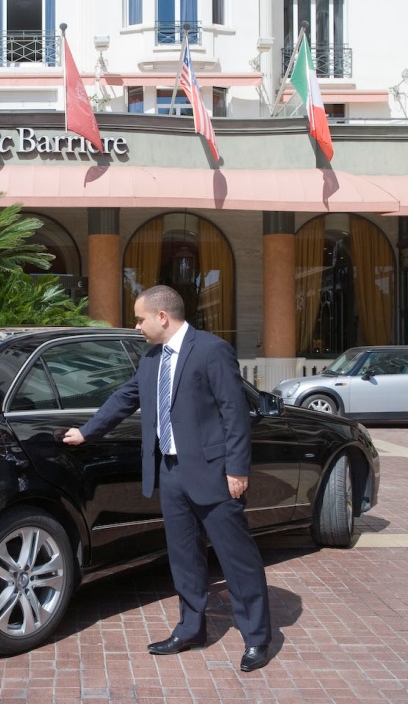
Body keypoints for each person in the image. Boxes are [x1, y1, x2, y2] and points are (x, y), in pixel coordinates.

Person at [62, 285, 272, 673]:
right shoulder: (151, 358)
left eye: (140, 318)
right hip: (171, 474)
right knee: (184, 558)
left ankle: (257, 638)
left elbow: (234, 412)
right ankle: (191, 628)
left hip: (214, 474)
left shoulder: (210, 350)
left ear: (162, 317)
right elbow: (125, 398)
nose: (136, 326)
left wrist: (237, 469)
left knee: (236, 559)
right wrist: (87, 431)